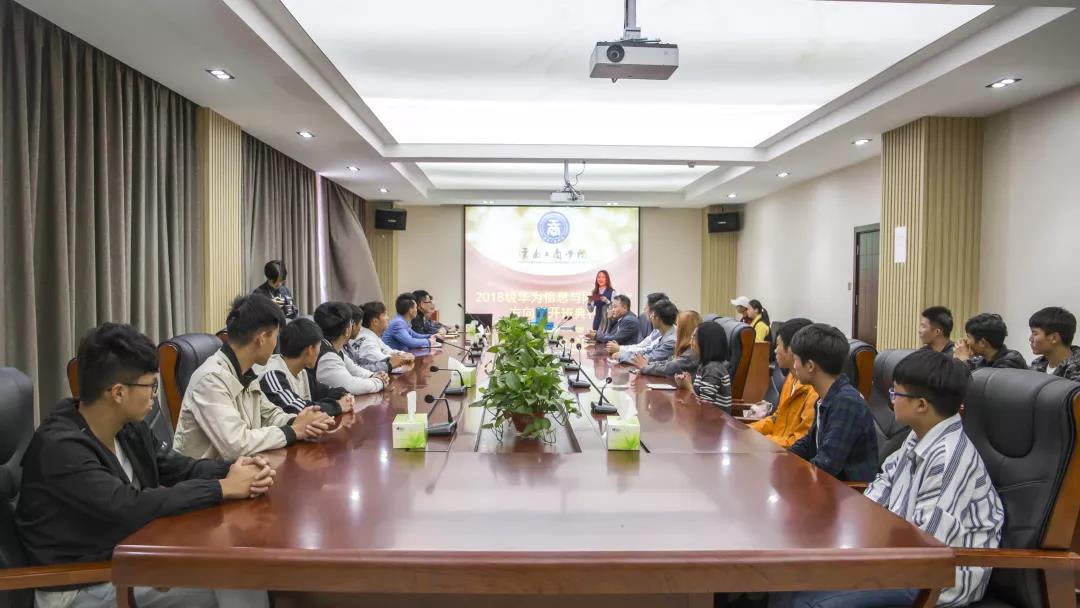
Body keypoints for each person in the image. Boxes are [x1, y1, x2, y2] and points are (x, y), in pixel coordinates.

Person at [18, 323, 273, 608]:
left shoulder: (127, 427)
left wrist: (235, 469)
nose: (154, 395)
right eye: (151, 386)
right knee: (238, 577)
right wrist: (221, 488)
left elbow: (178, 468)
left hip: (128, 559)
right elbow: (128, 506)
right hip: (78, 585)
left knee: (241, 568)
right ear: (118, 393)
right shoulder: (60, 448)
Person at [770, 350, 1004, 608]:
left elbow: (927, 546)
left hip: (934, 580)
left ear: (921, 405)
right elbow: (881, 486)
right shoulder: (918, 436)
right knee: (789, 580)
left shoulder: (949, 460)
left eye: (896, 394)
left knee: (806, 602)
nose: (891, 400)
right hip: (900, 559)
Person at [174, 294, 332, 460]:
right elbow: (236, 444)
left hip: (243, 466)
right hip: (211, 474)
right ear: (262, 339)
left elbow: (270, 415)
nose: (276, 344)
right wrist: (293, 431)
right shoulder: (211, 379)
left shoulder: (246, 372)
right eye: (276, 336)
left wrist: (302, 423)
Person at [788, 323, 878, 482]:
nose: (793, 366)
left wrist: (789, 475)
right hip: (827, 486)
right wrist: (782, 458)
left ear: (810, 366)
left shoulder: (846, 403)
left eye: (795, 359)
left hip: (848, 492)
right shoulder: (826, 397)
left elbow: (827, 464)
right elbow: (809, 443)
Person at [259, 318, 355, 416]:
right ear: (310, 349)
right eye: (319, 346)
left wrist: (343, 394)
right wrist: (338, 406)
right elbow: (297, 408)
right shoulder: (273, 374)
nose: (320, 351)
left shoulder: (302, 372)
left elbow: (325, 392)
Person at [750, 318, 818, 448]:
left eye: (778, 345)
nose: (775, 350)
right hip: (775, 448)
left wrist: (760, 441)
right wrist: (748, 431)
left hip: (788, 454)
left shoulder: (814, 391)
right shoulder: (791, 378)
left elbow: (800, 441)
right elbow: (777, 418)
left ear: (793, 349)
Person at [313, 301, 388, 395]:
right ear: (347, 330)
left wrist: (373, 375)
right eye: (351, 322)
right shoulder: (327, 357)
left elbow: (354, 369)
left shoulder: (332, 347)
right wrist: (380, 382)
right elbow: (351, 386)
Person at [674, 322, 732, 411]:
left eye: (694, 338)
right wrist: (685, 384)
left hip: (714, 419)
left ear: (706, 342)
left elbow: (705, 407)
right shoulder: (705, 365)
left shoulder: (713, 369)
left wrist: (688, 387)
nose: (690, 342)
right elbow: (699, 398)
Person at [352, 301, 414, 373]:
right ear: (375, 321)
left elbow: (387, 350)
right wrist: (403, 358)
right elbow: (383, 362)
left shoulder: (372, 336)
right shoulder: (367, 340)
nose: (388, 318)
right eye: (384, 315)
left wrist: (402, 354)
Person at [954, 313, 1027, 371]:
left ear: (982, 343)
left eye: (969, 337)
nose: (966, 341)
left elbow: (979, 383)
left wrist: (963, 361)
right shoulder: (983, 360)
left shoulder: (1010, 362)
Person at [641, 310, 701, 378]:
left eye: (677, 325)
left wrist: (645, 367)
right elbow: (669, 361)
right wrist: (648, 364)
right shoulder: (687, 348)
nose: (676, 329)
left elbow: (670, 368)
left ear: (684, 330)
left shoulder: (692, 352)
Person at [606, 292, 667, 357]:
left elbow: (648, 352)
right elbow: (640, 346)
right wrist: (619, 348)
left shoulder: (629, 319)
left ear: (655, 312)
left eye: (646, 307)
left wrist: (621, 352)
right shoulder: (657, 331)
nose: (644, 310)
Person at [620, 298, 678, 366]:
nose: (650, 317)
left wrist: (622, 356)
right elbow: (647, 350)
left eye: (652, 315)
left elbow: (649, 358)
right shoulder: (660, 332)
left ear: (658, 318)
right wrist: (623, 353)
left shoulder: (671, 341)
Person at [1029, 306, 1080, 381]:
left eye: (1035, 334)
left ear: (1054, 338)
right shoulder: (1037, 363)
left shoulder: (1076, 370)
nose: (1030, 339)